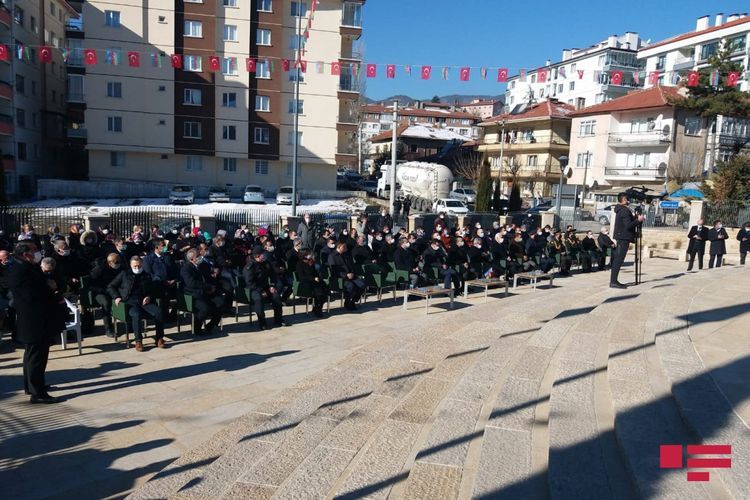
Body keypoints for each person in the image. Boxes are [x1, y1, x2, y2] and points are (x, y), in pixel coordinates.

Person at [8, 242, 63, 403]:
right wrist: (50, 288)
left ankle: (33, 386)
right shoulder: (22, 270)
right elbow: (32, 294)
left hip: (34, 318)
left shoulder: (25, 266)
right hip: (34, 320)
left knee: (32, 355)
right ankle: (38, 393)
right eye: (34, 251)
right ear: (25, 254)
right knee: (36, 356)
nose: (37, 253)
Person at [107, 256, 165, 351]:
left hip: (144, 301)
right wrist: (116, 297)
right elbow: (111, 286)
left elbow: (154, 289)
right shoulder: (124, 274)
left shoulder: (147, 275)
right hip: (130, 302)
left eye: (139, 266)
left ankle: (159, 338)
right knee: (136, 314)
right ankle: (138, 341)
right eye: (135, 266)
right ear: (131, 265)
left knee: (159, 312)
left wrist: (149, 296)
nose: (137, 268)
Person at [180, 248, 223, 336]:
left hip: (205, 291)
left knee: (221, 303)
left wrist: (212, 286)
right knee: (205, 308)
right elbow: (192, 283)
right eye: (198, 256)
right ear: (192, 258)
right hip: (193, 294)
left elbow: (208, 277)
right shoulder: (186, 268)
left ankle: (210, 325)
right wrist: (208, 287)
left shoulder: (201, 266)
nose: (200, 258)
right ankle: (197, 327)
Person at [243, 246, 287, 329]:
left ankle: (278, 319)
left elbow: (273, 276)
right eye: (262, 254)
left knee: (276, 296)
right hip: (254, 289)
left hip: (266, 287)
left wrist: (272, 286)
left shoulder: (266, 263)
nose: (264, 255)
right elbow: (249, 283)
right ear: (257, 255)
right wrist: (260, 291)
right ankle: (262, 322)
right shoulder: (250, 266)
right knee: (258, 299)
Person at [610, 193, 644, 288]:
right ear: (624, 199)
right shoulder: (624, 210)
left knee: (618, 259)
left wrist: (635, 218)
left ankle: (614, 281)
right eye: (627, 199)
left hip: (622, 237)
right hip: (623, 238)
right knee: (618, 260)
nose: (629, 200)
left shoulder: (621, 209)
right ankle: (613, 282)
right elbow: (628, 225)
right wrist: (638, 220)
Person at [89, 253, 122, 337]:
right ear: (109, 263)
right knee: (106, 304)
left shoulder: (120, 267)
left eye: (119, 261)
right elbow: (91, 286)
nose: (118, 264)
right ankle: (108, 329)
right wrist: (104, 291)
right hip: (100, 292)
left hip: (115, 290)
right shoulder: (99, 269)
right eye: (116, 262)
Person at [328, 242, 365, 310]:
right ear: (339, 247)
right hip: (340, 278)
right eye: (344, 247)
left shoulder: (346, 255)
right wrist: (345, 275)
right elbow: (334, 270)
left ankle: (353, 302)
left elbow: (351, 266)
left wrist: (352, 273)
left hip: (351, 275)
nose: (346, 248)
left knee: (362, 285)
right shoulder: (332, 256)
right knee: (350, 286)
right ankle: (347, 303)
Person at [295, 250, 329, 318]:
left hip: (315, 281)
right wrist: (313, 278)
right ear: (304, 256)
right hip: (306, 283)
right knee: (319, 293)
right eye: (308, 254)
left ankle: (318, 307)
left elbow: (315, 272)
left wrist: (318, 277)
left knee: (325, 291)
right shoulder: (300, 263)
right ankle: (318, 310)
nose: (310, 256)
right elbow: (302, 276)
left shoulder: (310, 262)